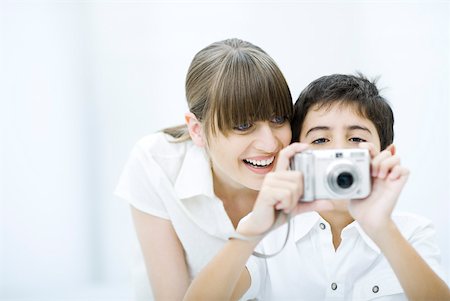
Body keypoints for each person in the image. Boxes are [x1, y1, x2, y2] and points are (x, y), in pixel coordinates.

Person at [184, 73, 450, 300]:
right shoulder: (271, 237)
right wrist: (251, 232)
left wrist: (383, 230)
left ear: (385, 155)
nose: (338, 152)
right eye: (321, 140)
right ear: (297, 153)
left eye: (356, 138)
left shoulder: (412, 232)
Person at [114, 38, 330, 300]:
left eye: (277, 119)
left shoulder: (309, 166)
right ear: (197, 130)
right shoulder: (157, 163)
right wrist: (252, 231)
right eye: (242, 125)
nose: (270, 143)